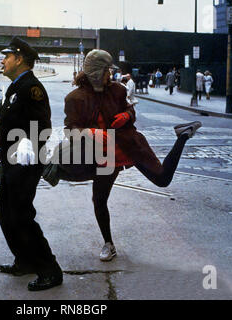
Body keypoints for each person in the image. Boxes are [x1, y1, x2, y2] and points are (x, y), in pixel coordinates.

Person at [43, 49, 202, 261]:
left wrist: (127, 115)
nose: (110, 74)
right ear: (96, 72)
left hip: (129, 145)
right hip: (102, 157)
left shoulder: (117, 90)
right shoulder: (74, 98)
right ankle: (108, 244)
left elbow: (131, 110)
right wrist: (91, 132)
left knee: (163, 179)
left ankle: (182, 135)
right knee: (99, 199)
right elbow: (70, 129)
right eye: (107, 70)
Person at [0, 37, 63, 291]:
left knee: (21, 215)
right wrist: (2, 160)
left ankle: (49, 269)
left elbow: (43, 125)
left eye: (6, 56)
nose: (2, 60)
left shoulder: (32, 88)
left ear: (19, 59)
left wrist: (28, 145)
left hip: (26, 160)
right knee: (4, 210)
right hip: (12, 159)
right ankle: (24, 259)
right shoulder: (16, 86)